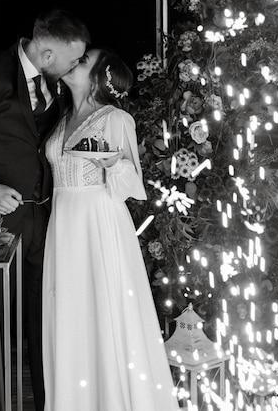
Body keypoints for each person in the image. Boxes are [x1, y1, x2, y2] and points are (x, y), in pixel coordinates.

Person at [0, 8, 91, 411]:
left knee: (45, 316)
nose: (75, 66)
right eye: (72, 59)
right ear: (47, 55)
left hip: (46, 217)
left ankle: (50, 401)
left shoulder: (56, 84)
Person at [42, 47, 179, 411]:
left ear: (100, 77)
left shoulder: (115, 118)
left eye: (82, 60)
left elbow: (133, 189)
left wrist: (113, 163)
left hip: (99, 224)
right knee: (69, 312)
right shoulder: (61, 119)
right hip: (63, 225)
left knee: (102, 312)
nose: (74, 62)